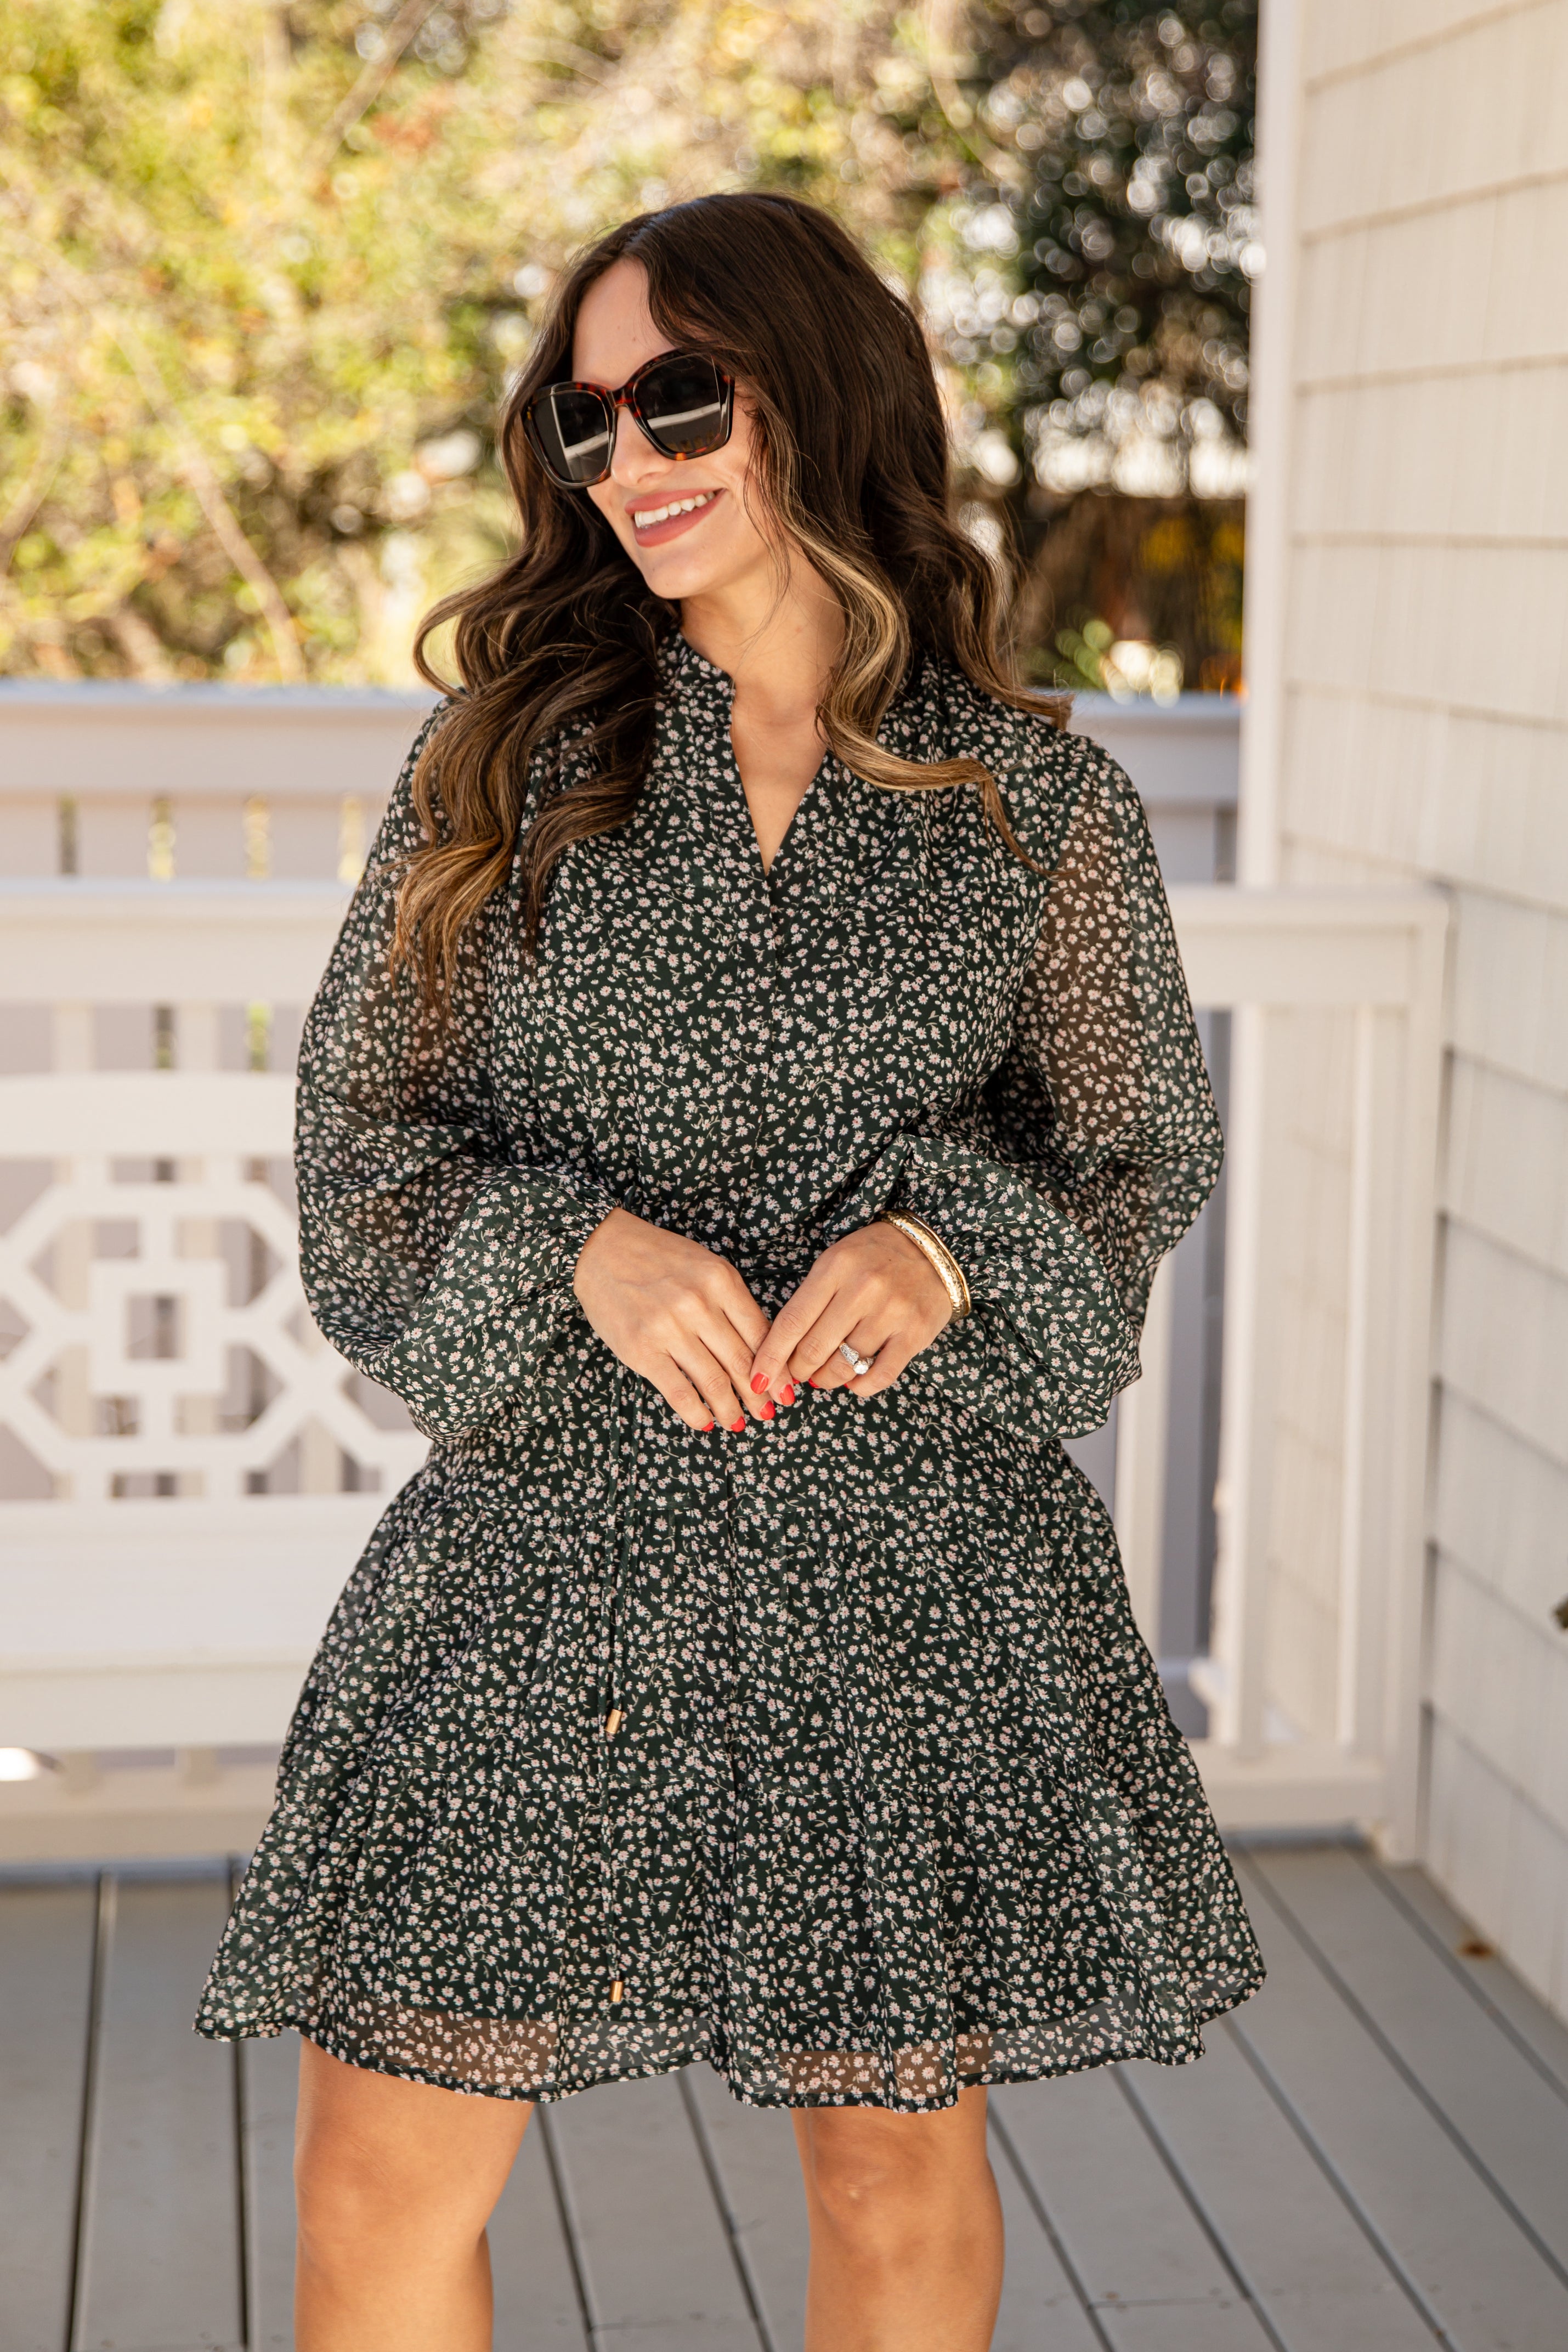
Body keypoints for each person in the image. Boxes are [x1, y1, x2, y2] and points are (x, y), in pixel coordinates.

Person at [198, 190, 1264, 2351]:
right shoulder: (497, 768)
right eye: (584, 417)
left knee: (889, 2171)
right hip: (547, 1556)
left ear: (820, 391)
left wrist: (943, 1248)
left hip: (908, 1572)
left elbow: (1136, 1156)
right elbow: (360, 1151)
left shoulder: (1035, 803)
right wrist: (571, 1248)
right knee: (377, 2174)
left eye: (680, 395)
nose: (628, 453)